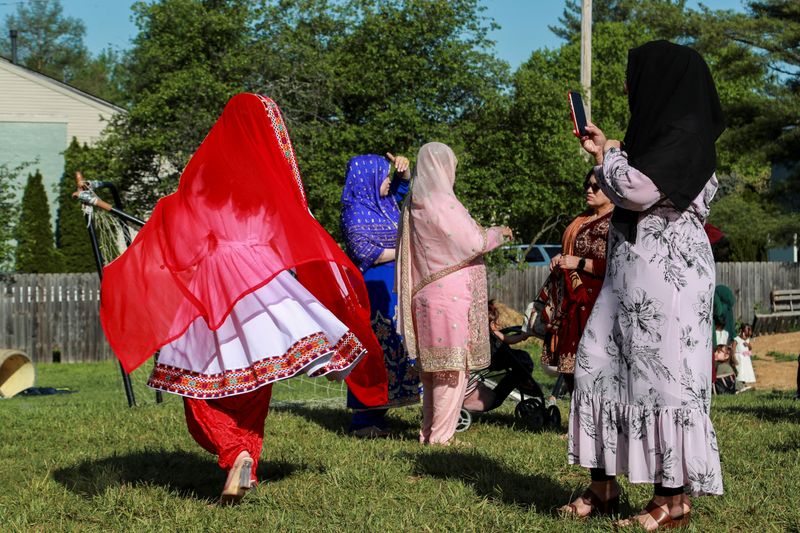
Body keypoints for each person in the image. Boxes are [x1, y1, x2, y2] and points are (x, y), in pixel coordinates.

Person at [99, 94, 387, 503]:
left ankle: (232, 451)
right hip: (262, 286)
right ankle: (246, 452)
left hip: (211, 290)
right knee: (254, 381)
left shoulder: (201, 179)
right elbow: (286, 234)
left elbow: (181, 235)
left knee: (199, 385)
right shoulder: (269, 181)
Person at [564, 40, 725, 529]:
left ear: (664, 80)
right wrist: (606, 150)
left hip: (668, 277)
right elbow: (630, 178)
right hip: (630, 273)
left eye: (637, 78)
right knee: (596, 365)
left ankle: (673, 500)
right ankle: (603, 484)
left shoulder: (687, 133)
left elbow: (637, 190)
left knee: (665, 382)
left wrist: (609, 154)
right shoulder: (656, 134)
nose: (632, 88)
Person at [396, 142, 512, 445]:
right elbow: (472, 241)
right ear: (444, 168)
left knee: (434, 370)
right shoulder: (441, 202)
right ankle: (441, 438)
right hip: (449, 296)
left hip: (425, 294)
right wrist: (499, 232)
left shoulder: (413, 203)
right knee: (451, 369)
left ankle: (429, 432)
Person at [340, 153, 421, 437]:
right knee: (376, 350)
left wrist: (404, 171)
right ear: (369, 179)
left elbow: (401, 189)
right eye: (384, 176)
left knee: (400, 347)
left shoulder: (384, 203)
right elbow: (365, 253)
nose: (388, 181)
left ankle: (385, 409)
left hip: (396, 286)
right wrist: (407, 250)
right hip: (373, 290)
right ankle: (364, 420)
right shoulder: (354, 210)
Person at [541, 169, 614, 395]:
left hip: (599, 303)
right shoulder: (583, 220)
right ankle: (576, 424)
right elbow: (571, 255)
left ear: (612, 191)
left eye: (596, 187)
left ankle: (598, 425)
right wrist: (562, 259)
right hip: (573, 303)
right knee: (570, 367)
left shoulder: (616, 223)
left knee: (594, 366)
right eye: (587, 185)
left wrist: (578, 262)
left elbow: (617, 265)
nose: (588, 190)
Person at [733, 324, 756, 392]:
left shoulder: (747, 339)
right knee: (740, 372)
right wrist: (734, 358)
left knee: (744, 372)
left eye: (749, 330)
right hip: (739, 358)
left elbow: (750, 348)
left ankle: (742, 386)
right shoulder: (737, 339)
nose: (749, 331)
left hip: (746, 358)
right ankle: (738, 387)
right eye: (747, 330)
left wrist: (748, 345)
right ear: (742, 331)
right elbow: (733, 350)